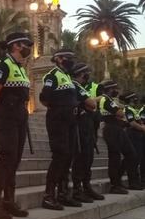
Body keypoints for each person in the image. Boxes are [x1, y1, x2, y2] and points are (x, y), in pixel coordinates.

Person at [0, 32, 33, 219]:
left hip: (20, 116)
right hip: (7, 115)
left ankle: (8, 201)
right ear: (15, 46)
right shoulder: (3, 65)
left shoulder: (20, 68)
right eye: (24, 44)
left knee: (15, 160)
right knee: (7, 158)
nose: (27, 47)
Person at [40, 48, 81, 210]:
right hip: (58, 121)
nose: (71, 61)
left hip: (70, 122)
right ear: (58, 59)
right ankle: (49, 195)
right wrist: (59, 110)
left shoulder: (68, 78)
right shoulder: (52, 76)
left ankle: (63, 194)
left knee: (69, 156)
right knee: (60, 155)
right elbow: (44, 98)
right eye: (67, 58)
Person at [71, 63, 105, 202]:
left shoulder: (80, 87)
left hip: (88, 125)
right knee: (81, 158)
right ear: (81, 74)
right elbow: (91, 104)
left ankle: (86, 186)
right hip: (80, 126)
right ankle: (78, 190)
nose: (87, 75)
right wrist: (91, 103)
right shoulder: (75, 85)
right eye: (86, 73)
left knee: (88, 157)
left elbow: (91, 106)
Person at [99, 80, 138, 193]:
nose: (117, 90)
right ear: (110, 89)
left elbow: (120, 114)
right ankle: (115, 185)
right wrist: (120, 113)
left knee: (131, 154)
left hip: (118, 128)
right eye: (115, 88)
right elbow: (120, 114)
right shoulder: (106, 99)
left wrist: (120, 114)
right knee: (114, 157)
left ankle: (118, 180)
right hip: (111, 129)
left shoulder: (111, 100)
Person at [119, 91, 145, 189]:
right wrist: (143, 128)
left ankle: (135, 181)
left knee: (136, 158)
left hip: (138, 135)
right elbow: (132, 123)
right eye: (134, 98)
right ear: (130, 99)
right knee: (133, 159)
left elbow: (139, 121)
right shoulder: (127, 109)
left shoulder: (133, 109)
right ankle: (133, 182)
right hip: (132, 135)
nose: (136, 99)